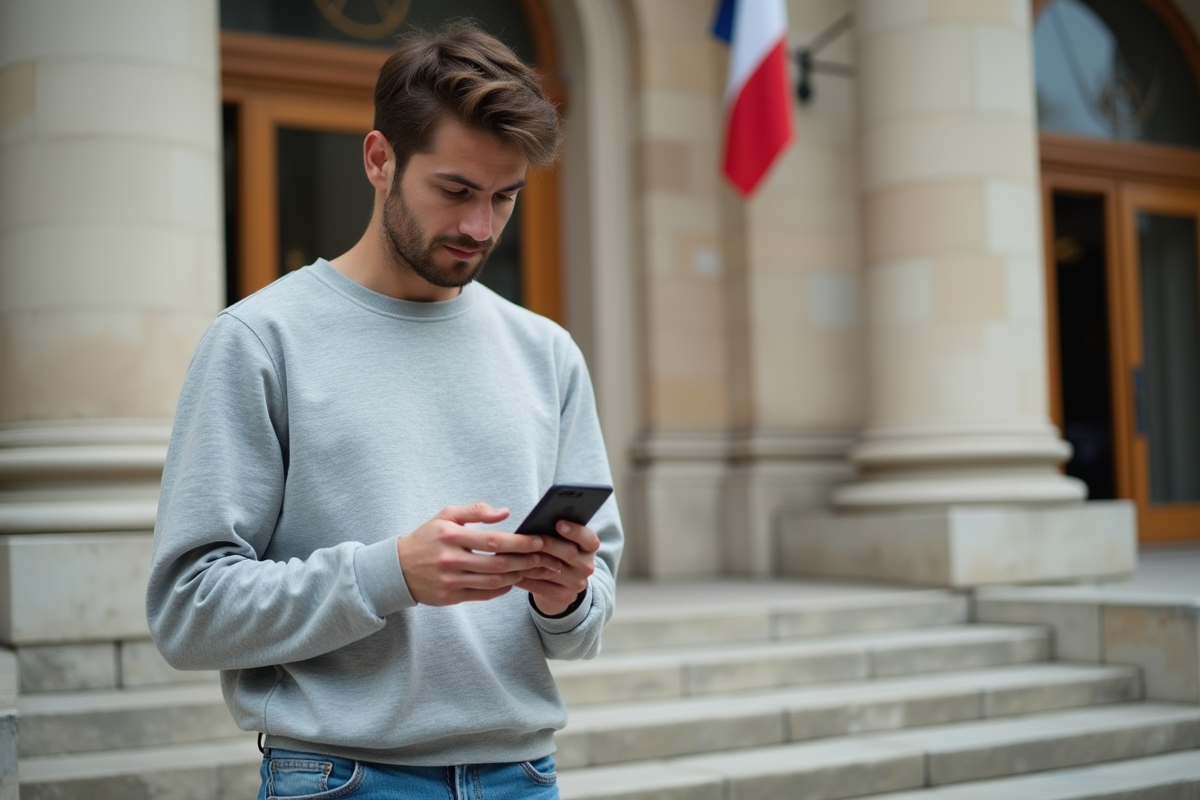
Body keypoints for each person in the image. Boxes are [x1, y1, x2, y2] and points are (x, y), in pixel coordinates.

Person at [145, 20, 622, 800]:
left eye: (504, 197)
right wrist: (388, 573)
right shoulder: (260, 341)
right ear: (379, 160)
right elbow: (188, 613)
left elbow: (587, 623)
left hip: (524, 776)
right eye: (456, 191)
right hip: (341, 777)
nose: (480, 228)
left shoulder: (548, 352)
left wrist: (563, 594)